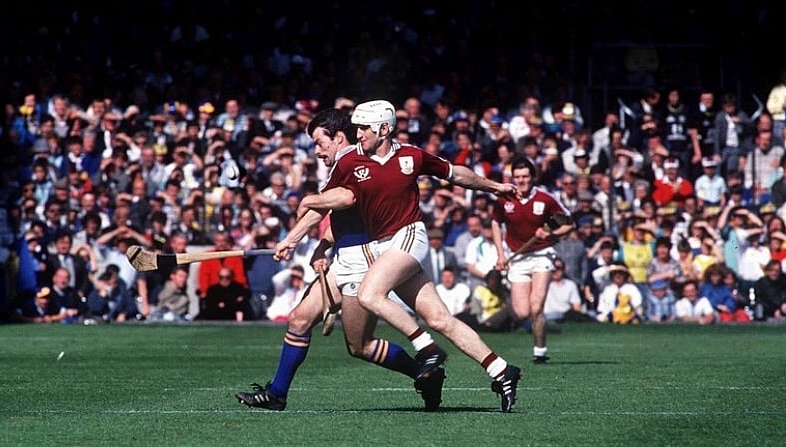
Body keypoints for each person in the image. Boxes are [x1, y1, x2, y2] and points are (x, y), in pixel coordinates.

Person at [282, 100, 522, 412]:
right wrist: (301, 231)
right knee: (440, 319)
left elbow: (456, 174)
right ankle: (502, 371)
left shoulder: (412, 155)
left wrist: (494, 187)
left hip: (409, 235)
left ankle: (426, 348)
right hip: (384, 247)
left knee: (369, 293)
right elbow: (338, 199)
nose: (358, 134)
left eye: (364, 128)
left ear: (383, 129)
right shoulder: (349, 162)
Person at [237, 108, 446, 412]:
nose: (317, 151)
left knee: (360, 346)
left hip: (364, 259)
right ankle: (277, 393)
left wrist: (292, 238)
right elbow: (337, 214)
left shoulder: (353, 160)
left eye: (320, 143)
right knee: (300, 320)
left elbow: (338, 203)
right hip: (345, 257)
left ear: (338, 137)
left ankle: (424, 373)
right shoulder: (344, 165)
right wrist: (321, 246)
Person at [491, 156, 574, 364]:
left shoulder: (545, 199)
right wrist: (501, 255)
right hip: (517, 258)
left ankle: (540, 350)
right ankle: (534, 334)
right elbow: (495, 223)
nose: (521, 180)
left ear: (533, 177)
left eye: (526, 176)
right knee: (521, 312)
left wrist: (551, 235)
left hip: (541, 255)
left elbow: (568, 224)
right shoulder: (504, 199)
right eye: (517, 176)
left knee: (536, 307)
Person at [543, 258, 587, 323]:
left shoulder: (570, 285)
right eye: (553, 268)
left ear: (563, 269)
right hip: (548, 315)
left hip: (565, 316)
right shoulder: (544, 284)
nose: (555, 271)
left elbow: (577, 306)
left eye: (558, 268)